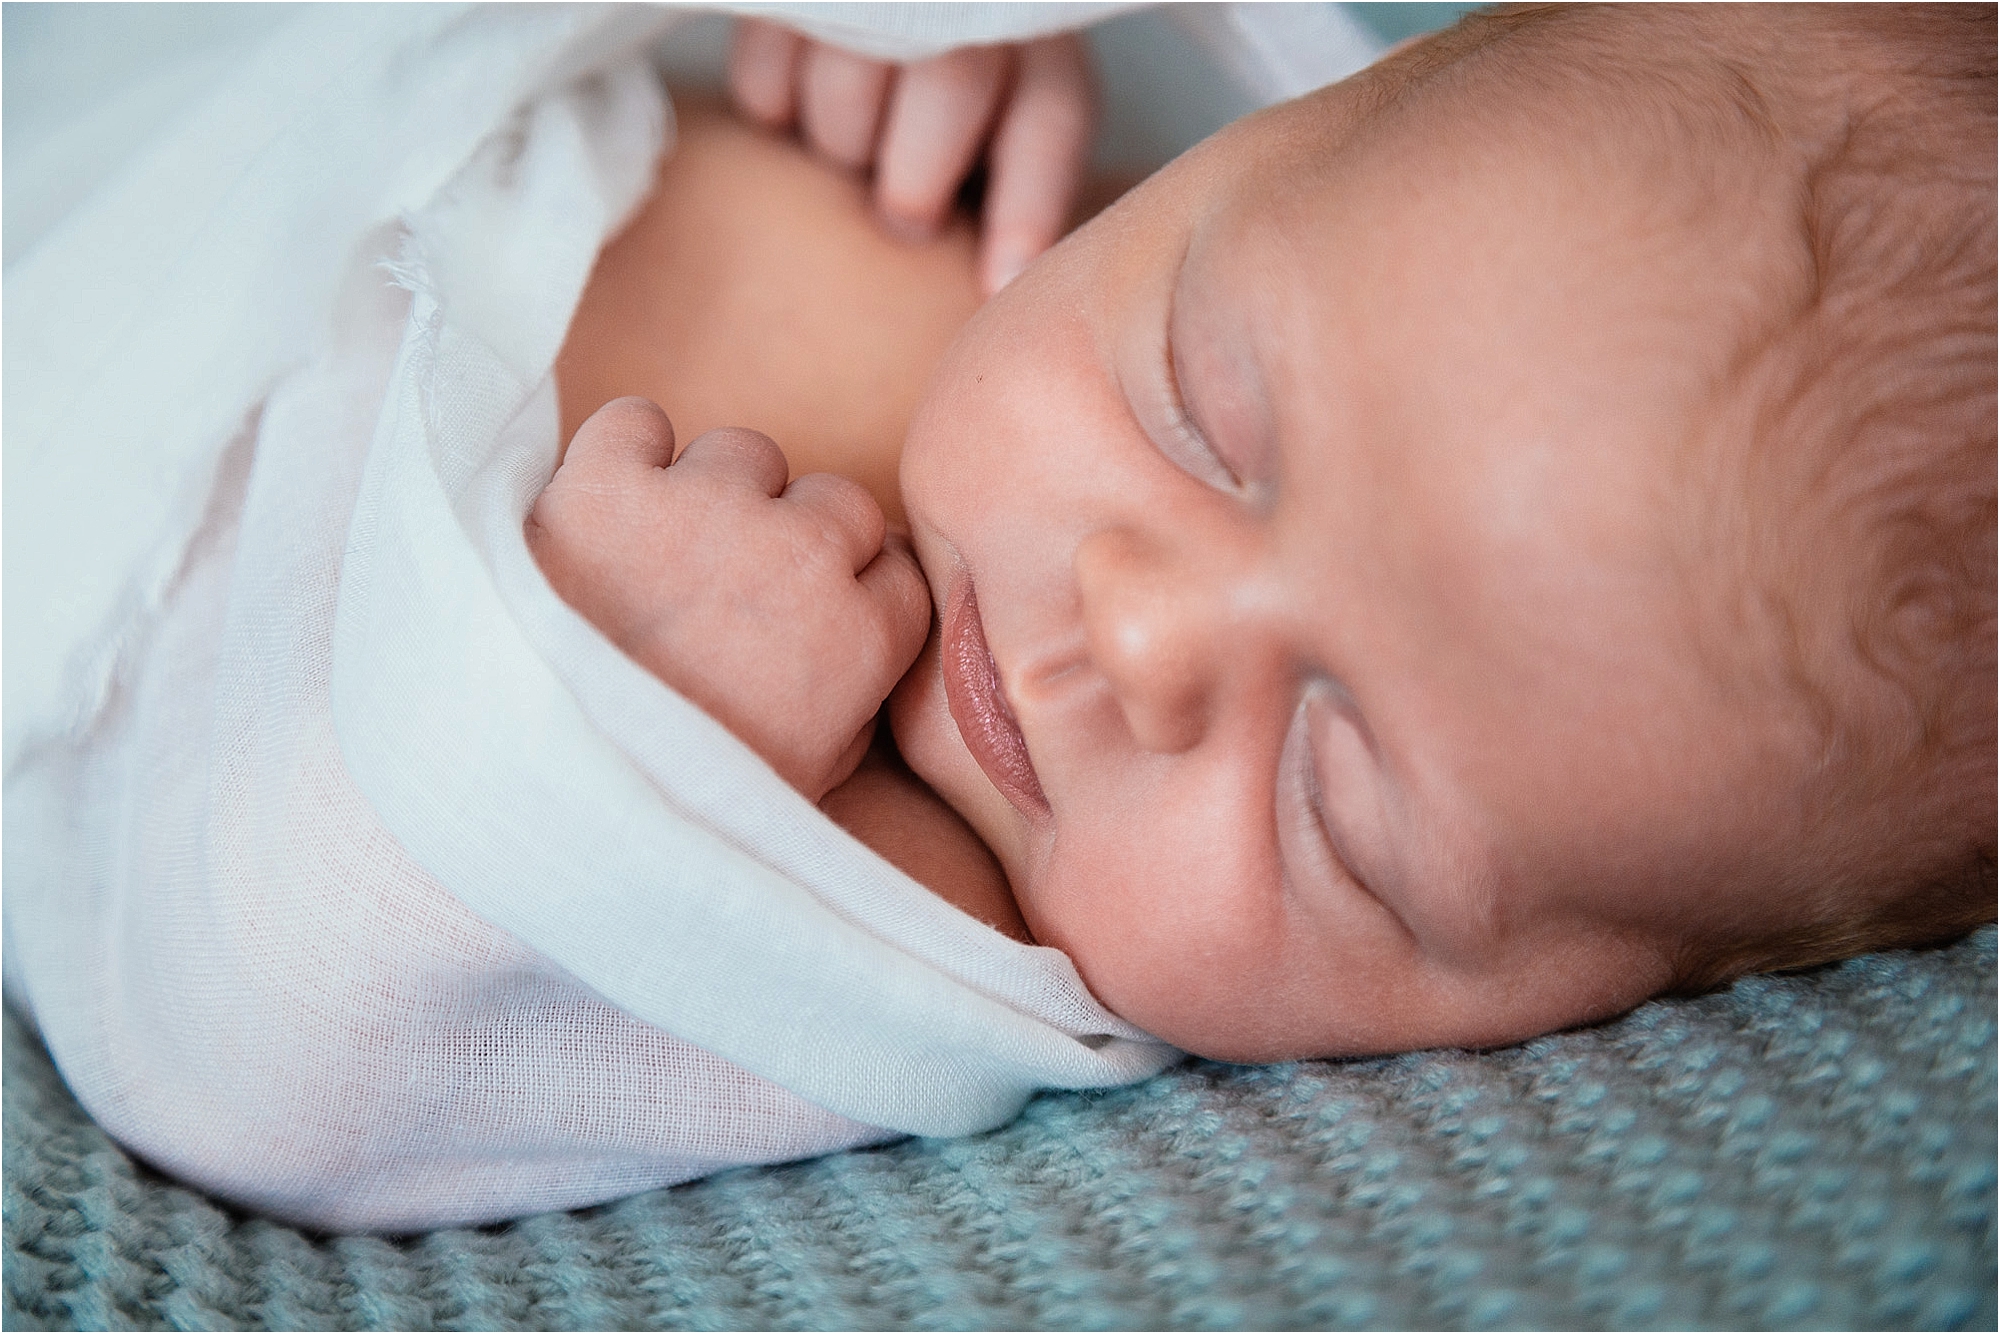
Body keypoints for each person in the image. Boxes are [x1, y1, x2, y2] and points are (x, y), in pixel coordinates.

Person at [535, 3, 1997, 1062]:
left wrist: (586, 756)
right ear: (1286, 120)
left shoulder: (899, 943)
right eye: (1198, 413)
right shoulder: (1211, 187)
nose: (1139, 632)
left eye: (1340, 816)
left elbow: (341, 1057)